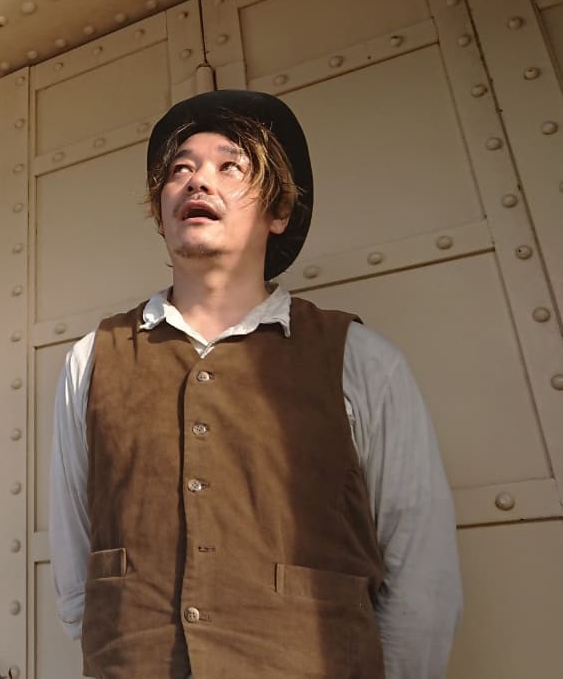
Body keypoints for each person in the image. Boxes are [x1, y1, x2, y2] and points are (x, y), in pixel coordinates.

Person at [50, 90, 462, 679]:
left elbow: (422, 574)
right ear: (161, 210)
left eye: (230, 167)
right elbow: (76, 564)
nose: (197, 181)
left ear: (279, 211)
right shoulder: (92, 359)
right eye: (180, 170)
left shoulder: (361, 360)